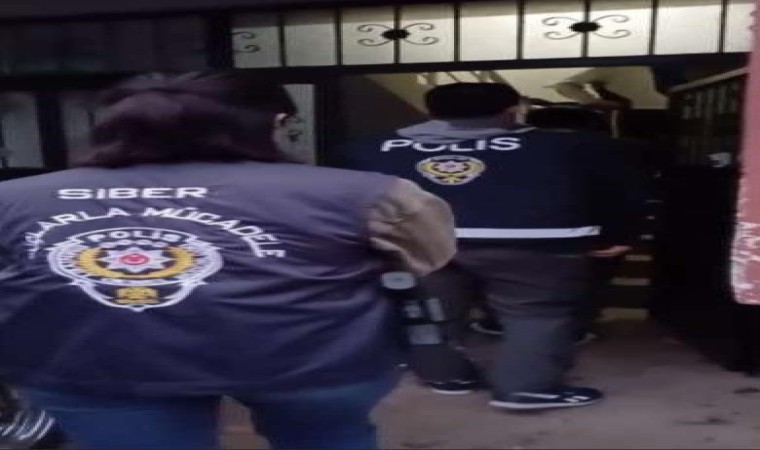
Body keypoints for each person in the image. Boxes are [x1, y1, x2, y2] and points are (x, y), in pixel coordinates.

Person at [0, 72, 457, 450]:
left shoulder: (13, 197)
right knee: (327, 436)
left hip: (95, 363)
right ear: (275, 123)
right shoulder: (369, 193)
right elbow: (428, 256)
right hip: (314, 360)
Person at [336, 83, 646, 409]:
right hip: (532, 242)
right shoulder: (573, 145)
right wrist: (618, 234)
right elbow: (618, 191)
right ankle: (528, 388)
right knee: (536, 313)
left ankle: (445, 376)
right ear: (512, 111)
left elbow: (346, 197)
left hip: (416, 240)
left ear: (430, 112)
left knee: (427, 313)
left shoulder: (367, 149)